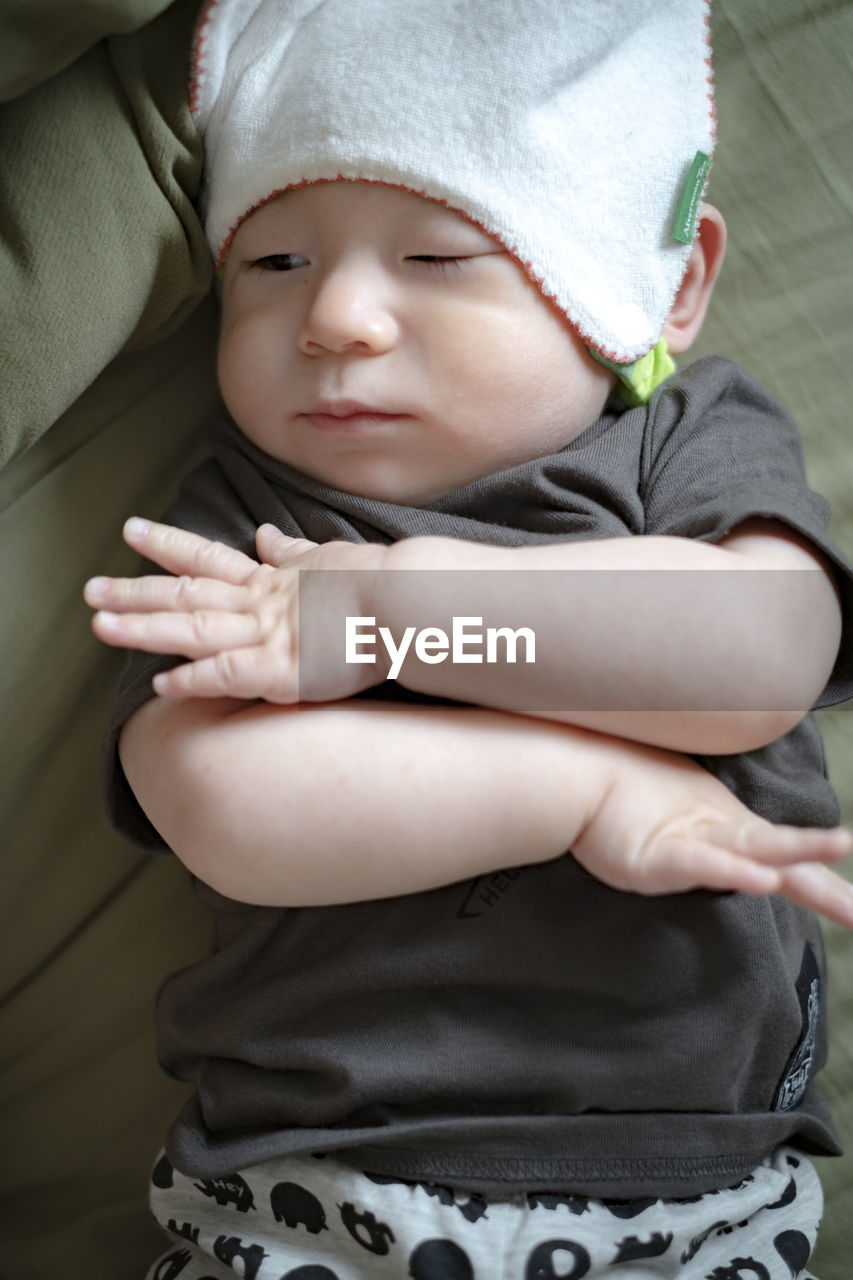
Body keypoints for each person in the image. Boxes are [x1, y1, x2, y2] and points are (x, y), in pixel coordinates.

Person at [84, 1, 853, 1275]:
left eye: (437, 257)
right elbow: (212, 800)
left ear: (664, 287)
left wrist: (393, 617)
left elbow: (760, 657)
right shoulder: (252, 515)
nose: (336, 318)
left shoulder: (677, 452)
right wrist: (586, 793)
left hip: (688, 1185)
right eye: (271, 263)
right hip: (311, 1180)